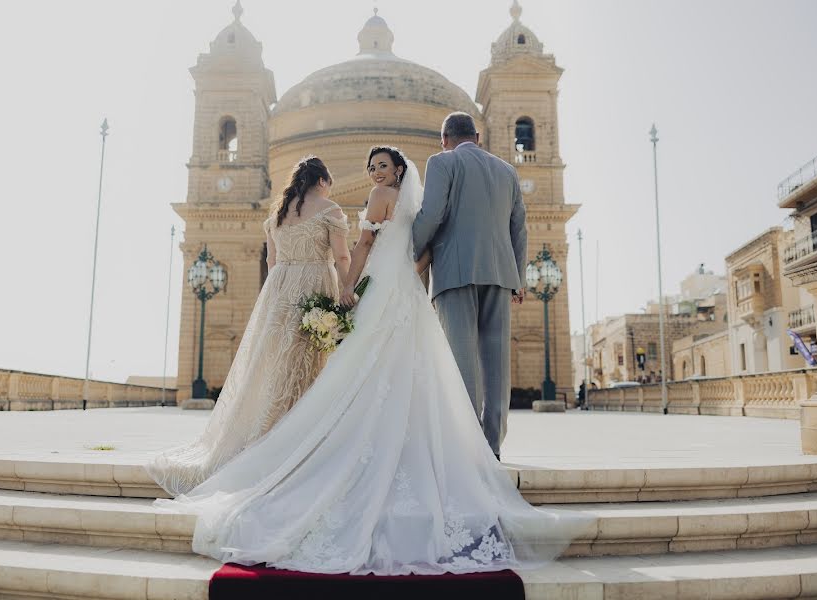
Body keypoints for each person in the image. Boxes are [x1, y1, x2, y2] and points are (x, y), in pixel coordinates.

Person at [153, 146, 590, 575]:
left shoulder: (365, 200)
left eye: (381, 166)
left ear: (398, 169)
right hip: (406, 286)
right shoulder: (415, 201)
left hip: (366, 284)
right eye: (371, 167)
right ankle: (471, 441)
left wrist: (349, 287)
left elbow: (359, 247)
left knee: (358, 363)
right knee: (417, 365)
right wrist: (405, 273)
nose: (375, 172)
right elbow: (425, 246)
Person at [147, 156, 350, 497]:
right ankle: (301, 438)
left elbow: (271, 262)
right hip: (315, 283)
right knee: (310, 364)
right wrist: (346, 290)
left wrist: (282, 293)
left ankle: (268, 434)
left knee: (277, 366)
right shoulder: (330, 210)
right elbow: (343, 257)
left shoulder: (277, 216)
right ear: (322, 181)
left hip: (280, 291)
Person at [412, 112, 527, 460]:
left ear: (444, 139)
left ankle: (467, 449)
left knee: (462, 362)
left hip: (456, 270)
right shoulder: (507, 170)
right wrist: (518, 278)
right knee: (497, 363)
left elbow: (431, 213)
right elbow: (519, 228)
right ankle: (492, 444)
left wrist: (409, 252)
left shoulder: (442, 162)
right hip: (501, 274)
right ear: (477, 136)